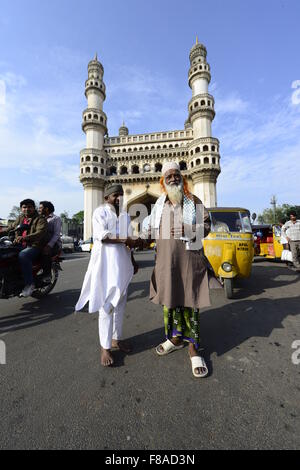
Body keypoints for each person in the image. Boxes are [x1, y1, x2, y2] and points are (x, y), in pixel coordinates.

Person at [143, 162, 220, 378]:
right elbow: (149, 230)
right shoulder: (158, 205)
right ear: (163, 181)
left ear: (182, 179)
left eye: (177, 175)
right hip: (166, 262)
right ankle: (175, 338)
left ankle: (193, 347)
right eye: (169, 176)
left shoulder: (193, 201)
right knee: (170, 301)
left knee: (190, 301)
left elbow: (206, 226)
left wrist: (188, 228)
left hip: (189, 261)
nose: (173, 178)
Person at [75, 184, 140, 367]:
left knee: (120, 302)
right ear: (106, 198)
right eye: (115, 195)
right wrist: (124, 239)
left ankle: (116, 339)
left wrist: (133, 261)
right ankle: (105, 347)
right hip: (105, 264)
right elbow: (102, 237)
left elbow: (129, 241)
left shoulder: (125, 215)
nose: (118, 198)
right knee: (107, 305)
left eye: (120, 194)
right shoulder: (100, 213)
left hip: (122, 264)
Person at [0, 199, 48, 297]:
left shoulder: (40, 219)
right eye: (24, 207)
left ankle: (29, 284)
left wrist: (24, 238)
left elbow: (40, 233)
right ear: (21, 209)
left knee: (23, 255)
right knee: (5, 254)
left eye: (29, 207)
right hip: (18, 244)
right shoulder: (21, 217)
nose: (27, 209)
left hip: (34, 246)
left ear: (34, 208)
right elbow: (11, 227)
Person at [39, 201, 62, 282]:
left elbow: (56, 234)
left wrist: (49, 245)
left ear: (47, 209)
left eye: (41, 208)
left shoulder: (56, 219)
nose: (39, 209)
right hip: (40, 243)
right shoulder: (39, 218)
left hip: (53, 244)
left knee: (45, 253)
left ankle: (47, 275)